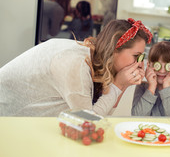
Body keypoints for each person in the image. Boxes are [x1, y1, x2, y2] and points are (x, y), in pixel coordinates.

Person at [0, 18, 152, 116]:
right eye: (136, 56)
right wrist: (118, 84)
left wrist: (122, 84)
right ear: (113, 50)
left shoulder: (96, 59)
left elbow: (105, 110)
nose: (140, 63)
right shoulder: (76, 66)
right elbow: (88, 122)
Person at [131, 41, 170, 116]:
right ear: (149, 65)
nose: (162, 71)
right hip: (147, 127)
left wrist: (166, 86)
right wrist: (151, 87)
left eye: (168, 66)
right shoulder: (141, 86)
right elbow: (136, 116)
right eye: (157, 65)